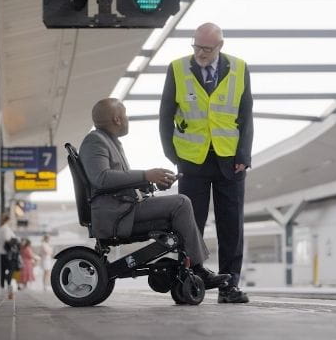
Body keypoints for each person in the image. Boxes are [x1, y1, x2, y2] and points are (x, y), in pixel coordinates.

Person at [79, 98, 230, 289]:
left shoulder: (109, 141)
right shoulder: (96, 141)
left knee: (179, 206)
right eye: (125, 115)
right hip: (117, 213)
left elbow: (117, 182)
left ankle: (188, 269)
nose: (127, 119)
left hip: (122, 207)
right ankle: (198, 269)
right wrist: (146, 175)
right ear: (117, 119)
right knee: (181, 203)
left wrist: (154, 183)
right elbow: (101, 178)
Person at [159, 22, 253, 304]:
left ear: (220, 46)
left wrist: (243, 156)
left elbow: (246, 114)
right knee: (189, 225)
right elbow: (165, 114)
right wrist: (173, 156)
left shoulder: (239, 68)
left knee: (231, 225)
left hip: (229, 159)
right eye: (196, 46)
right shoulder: (177, 68)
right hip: (192, 160)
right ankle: (191, 280)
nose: (200, 52)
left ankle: (229, 285)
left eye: (207, 48)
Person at [0, 213, 17, 298]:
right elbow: (7, 239)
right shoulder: (5, 228)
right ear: (8, 220)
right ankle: (9, 286)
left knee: (3, 270)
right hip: (7, 253)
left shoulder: (1, 228)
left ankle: (2, 287)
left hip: (2, 252)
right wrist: (13, 242)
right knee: (11, 269)